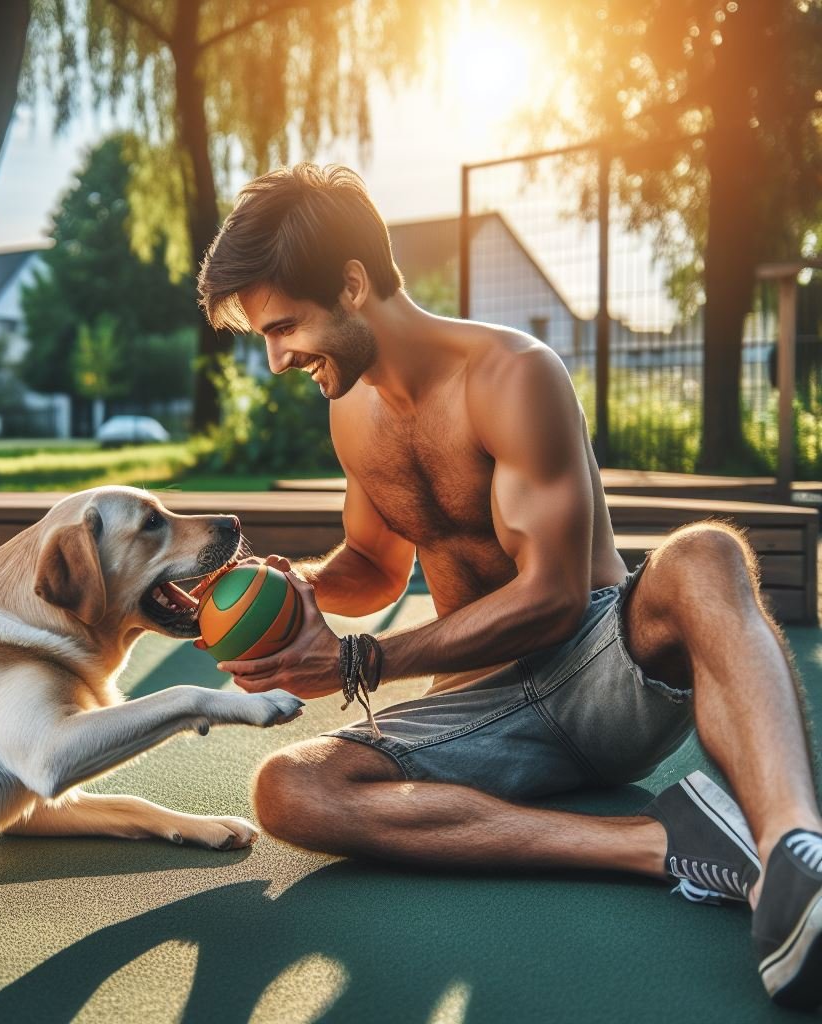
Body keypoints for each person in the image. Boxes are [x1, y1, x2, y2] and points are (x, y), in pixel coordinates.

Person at [196, 163, 822, 1009]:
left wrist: (363, 660)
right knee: (289, 787)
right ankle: (661, 842)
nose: (275, 360)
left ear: (351, 283)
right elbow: (376, 566)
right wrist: (287, 591)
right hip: (487, 706)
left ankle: (794, 854)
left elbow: (554, 599)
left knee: (705, 553)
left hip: (604, 671)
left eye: (285, 327)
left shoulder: (512, 375)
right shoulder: (351, 413)